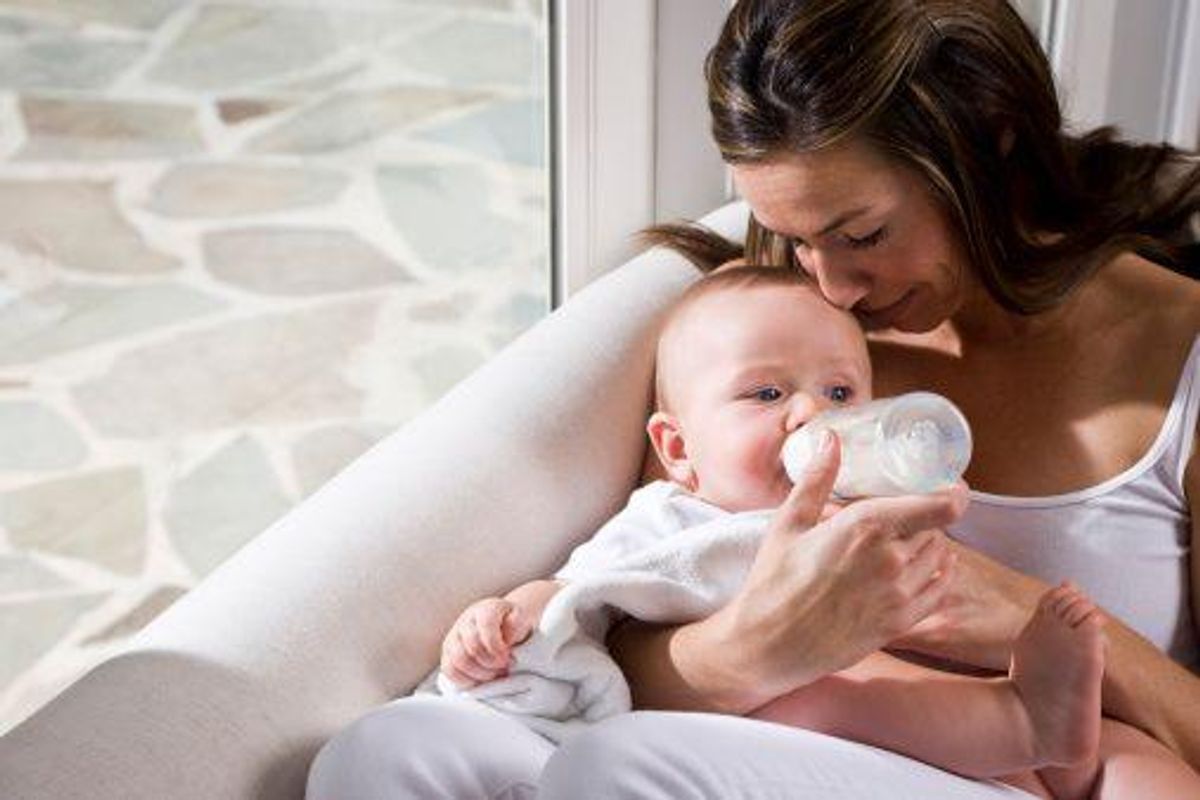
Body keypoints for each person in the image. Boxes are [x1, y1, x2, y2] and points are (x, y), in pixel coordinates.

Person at [307, 1, 1199, 796]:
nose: (834, 287)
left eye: (862, 235)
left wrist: (1016, 612)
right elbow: (653, 598)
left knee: (617, 771)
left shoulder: (1180, 362)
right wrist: (759, 645)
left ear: (994, 139)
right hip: (747, 734)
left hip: (1021, 764)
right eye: (792, 236)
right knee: (389, 757)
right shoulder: (776, 329)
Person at [440, 264, 1120, 800]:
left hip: (879, 747)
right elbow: (574, 597)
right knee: (806, 694)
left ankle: (1029, 725)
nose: (809, 417)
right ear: (678, 449)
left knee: (845, 683)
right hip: (741, 738)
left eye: (840, 395)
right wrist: (506, 620)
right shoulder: (668, 519)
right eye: (767, 395)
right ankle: (1026, 728)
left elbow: (934, 621)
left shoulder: (861, 513)